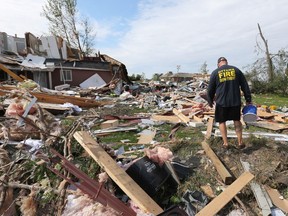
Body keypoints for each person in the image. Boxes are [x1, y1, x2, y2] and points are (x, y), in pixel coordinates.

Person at [207, 57, 252, 149]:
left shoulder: (215, 72)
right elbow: (245, 85)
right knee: (237, 120)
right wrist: (248, 99)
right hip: (235, 101)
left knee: (221, 122)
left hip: (221, 102)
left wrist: (210, 101)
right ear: (226, 63)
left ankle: (225, 143)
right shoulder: (236, 70)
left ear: (218, 64)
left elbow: (210, 89)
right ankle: (240, 142)